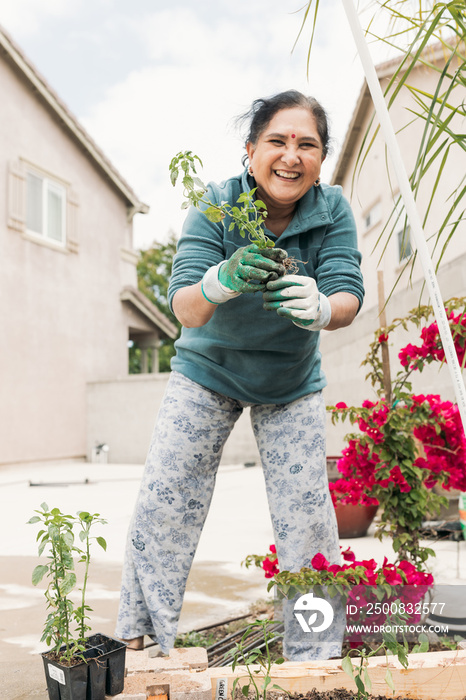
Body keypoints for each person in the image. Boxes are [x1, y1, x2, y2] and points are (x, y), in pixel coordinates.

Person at [116, 89, 364, 660]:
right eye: (277, 141)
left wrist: (324, 306)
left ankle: (316, 655)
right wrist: (219, 279)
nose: (291, 156)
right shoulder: (219, 205)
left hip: (290, 381)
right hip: (208, 371)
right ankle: (141, 637)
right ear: (251, 150)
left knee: (307, 520)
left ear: (321, 159)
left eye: (307, 144)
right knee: (166, 497)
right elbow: (183, 307)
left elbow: (348, 291)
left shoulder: (332, 211)